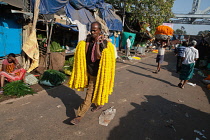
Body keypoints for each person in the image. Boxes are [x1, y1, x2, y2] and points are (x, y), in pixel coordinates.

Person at [70, 22, 115, 125]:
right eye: (92, 30)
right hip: (89, 72)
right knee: (96, 91)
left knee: (89, 95)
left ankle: (79, 116)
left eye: (95, 30)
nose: (93, 32)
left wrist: (98, 44)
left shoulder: (104, 43)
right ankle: (99, 104)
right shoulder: (88, 41)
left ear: (100, 31)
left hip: (97, 75)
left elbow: (98, 56)